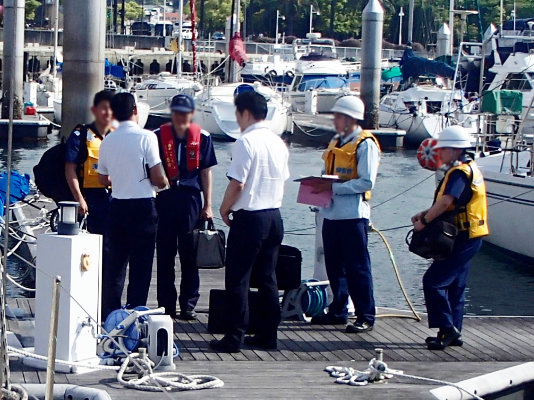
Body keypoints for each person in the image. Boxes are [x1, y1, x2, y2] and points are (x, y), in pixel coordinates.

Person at [209, 91, 289, 353]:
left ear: (244, 113)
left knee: (238, 279)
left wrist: (223, 208)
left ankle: (235, 337)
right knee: (268, 278)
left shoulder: (246, 142)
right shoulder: (278, 142)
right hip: (273, 215)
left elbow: (238, 183)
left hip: (250, 217)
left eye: (237, 113)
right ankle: (269, 335)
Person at [411, 125, 488, 350]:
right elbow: (452, 204)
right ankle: (454, 331)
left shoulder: (458, 173)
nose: (439, 153)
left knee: (434, 282)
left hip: (463, 237)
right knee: (456, 286)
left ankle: (447, 328)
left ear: (455, 150)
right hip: (471, 235)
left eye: (443, 149)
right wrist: (426, 213)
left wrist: (424, 223)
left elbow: (446, 202)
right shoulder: (470, 169)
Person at [309, 96, 380, 334]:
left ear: (350, 119)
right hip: (331, 213)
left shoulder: (365, 144)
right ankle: (337, 309)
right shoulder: (336, 141)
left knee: (357, 267)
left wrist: (334, 188)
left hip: (352, 216)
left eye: (338, 116)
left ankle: (365, 315)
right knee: (334, 266)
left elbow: (367, 181)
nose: (335, 121)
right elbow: (325, 172)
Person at [97, 92, 169, 319]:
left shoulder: (107, 140)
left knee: (116, 266)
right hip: (143, 206)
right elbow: (158, 177)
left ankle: (111, 315)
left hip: (117, 205)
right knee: (141, 266)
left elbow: (102, 179)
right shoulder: (147, 137)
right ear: (135, 111)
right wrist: (165, 183)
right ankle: (135, 314)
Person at [153, 94, 217, 320]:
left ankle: (189, 304)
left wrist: (208, 205)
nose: (181, 117)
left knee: (191, 255)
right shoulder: (158, 136)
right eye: (177, 112)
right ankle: (166, 304)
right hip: (165, 197)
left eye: (185, 112)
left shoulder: (204, 137)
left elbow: (206, 172)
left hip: (191, 199)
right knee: (165, 254)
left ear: (191, 114)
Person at [65, 91, 114, 315]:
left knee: (113, 253)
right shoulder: (81, 133)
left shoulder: (117, 134)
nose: (108, 112)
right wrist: (79, 199)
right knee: (91, 252)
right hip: (90, 200)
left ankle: (107, 305)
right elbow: (70, 168)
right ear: (95, 110)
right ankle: (87, 299)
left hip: (115, 199)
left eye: (111, 108)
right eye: (103, 107)